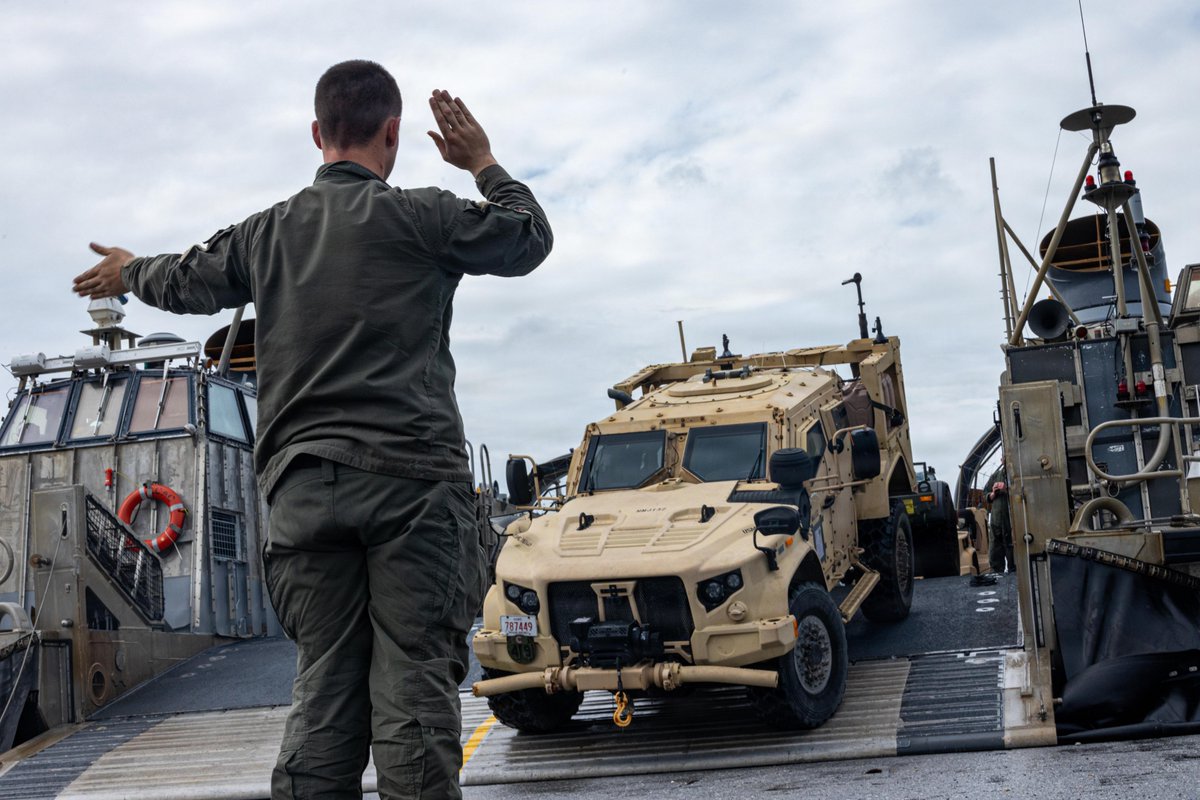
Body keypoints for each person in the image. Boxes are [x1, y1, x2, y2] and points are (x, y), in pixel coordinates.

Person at [72, 60, 552, 799]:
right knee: (413, 686)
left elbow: (183, 279)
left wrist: (129, 271)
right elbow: (527, 238)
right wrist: (482, 162)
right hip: (413, 494)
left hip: (302, 499)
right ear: (394, 133)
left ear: (317, 134)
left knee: (325, 687)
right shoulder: (424, 215)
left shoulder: (267, 233)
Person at [986, 459, 1015, 574]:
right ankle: (996, 573)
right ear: (1001, 460)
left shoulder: (1017, 474)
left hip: (1012, 521)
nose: (1005, 460)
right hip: (996, 520)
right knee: (995, 549)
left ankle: (1014, 571)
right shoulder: (995, 476)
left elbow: (1026, 490)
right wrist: (992, 494)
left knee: (1012, 547)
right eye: (1004, 458)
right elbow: (985, 494)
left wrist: (1007, 488)